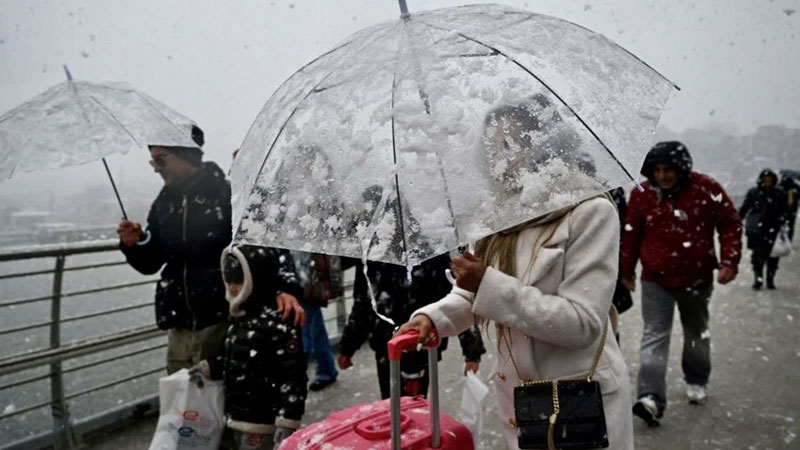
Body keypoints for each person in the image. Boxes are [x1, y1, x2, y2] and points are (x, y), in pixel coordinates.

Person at [116, 125, 303, 374]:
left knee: (219, 399)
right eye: (153, 160)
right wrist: (135, 244)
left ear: (186, 155)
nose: (156, 167)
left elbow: (266, 244)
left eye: (161, 159)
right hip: (180, 324)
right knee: (182, 403)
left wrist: (285, 288)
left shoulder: (226, 193)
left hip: (222, 320)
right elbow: (152, 262)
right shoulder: (164, 202)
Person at [620, 141, 742, 426]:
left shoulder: (706, 188)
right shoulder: (642, 194)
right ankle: (650, 397)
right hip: (655, 279)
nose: (663, 176)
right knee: (654, 336)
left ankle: (697, 378)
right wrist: (626, 271)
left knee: (696, 332)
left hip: (696, 280)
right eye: (657, 170)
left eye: (669, 170)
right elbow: (631, 233)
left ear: (682, 169)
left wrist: (730, 261)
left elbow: (730, 224)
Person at [192, 245, 307, 450]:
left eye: (239, 280)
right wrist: (210, 367)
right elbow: (240, 360)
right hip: (238, 415)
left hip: (262, 421)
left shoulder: (277, 323)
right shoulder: (240, 318)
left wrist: (288, 421)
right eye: (229, 281)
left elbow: (293, 377)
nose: (233, 288)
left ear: (256, 279)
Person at [337, 255, 486, 400]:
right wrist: (348, 346)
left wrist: (472, 352)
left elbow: (456, 304)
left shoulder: (431, 254)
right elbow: (362, 303)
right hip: (388, 345)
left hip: (420, 344)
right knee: (391, 402)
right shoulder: (371, 257)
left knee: (415, 404)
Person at [292, 251, 341, 391]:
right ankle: (327, 370)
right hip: (311, 289)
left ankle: (296, 381)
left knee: (303, 338)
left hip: (304, 290)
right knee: (316, 333)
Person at [739, 169, 788, 289]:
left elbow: (785, 210)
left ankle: (770, 278)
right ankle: (758, 278)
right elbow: (745, 208)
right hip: (757, 229)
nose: (767, 182)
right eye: (765, 180)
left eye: (769, 180)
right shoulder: (754, 193)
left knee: (773, 256)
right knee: (757, 256)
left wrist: (781, 219)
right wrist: (737, 219)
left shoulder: (779, 193)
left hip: (773, 228)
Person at [779, 174, 798, 242]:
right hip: (792, 210)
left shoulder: (780, 186)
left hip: (783, 210)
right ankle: (787, 240)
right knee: (790, 226)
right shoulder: (795, 187)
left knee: (782, 225)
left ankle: (783, 240)